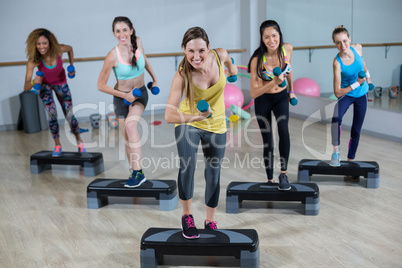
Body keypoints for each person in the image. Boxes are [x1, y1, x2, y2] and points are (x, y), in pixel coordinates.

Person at [165, 26, 237, 239]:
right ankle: (187, 216)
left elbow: (230, 63)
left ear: (209, 48)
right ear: (183, 50)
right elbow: (169, 115)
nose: (196, 57)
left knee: (213, 174)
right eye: (190, 51)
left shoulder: (220, 54)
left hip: (217, 125)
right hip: (190, 121)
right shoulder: (182, 75)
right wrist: (195, 117)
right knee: (188, 166)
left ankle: (210, 220)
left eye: (201, 51)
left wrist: (232, 72)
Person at [97, 16, 158, 188]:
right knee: (128, 139)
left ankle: (138, 173)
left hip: (140, 95)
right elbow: (100, 85)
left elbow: (145, 61)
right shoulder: (112, 56)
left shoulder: (138, 41)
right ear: (114, 33)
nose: (121, 34)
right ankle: (134, 170)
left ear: (131, 29)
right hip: (121, 98)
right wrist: (124, 96)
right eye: (118, 31)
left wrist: (155, 79)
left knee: (131, 127)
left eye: (124, 30)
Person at [248, 20, 296, 191]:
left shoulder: (287, 49)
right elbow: (254, 93)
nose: (271, 40)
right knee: (267, 140)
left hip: (281, 98)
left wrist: (291, 91)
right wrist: (273, 82)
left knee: (284, 130)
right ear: (262, 39)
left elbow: (289, 70)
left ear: (279, 35)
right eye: (267, 37)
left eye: (274, 36)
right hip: (263, 100)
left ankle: (283, 173)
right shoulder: (257, 60)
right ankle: (269, 179)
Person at [24, 28, 85, 157]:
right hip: (45, 87)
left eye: (44, 43)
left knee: (69, 115)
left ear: (50, 42)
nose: (41, 47)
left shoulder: (59, 50)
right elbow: (26, 87)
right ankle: (57, 145)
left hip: (61, 84)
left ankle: (80, 141)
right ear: (34, 45)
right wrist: (35, 82)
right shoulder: (34, 60)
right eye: (38, 44)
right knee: (52, 116)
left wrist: (72, 66)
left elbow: (70, 48)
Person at [329, 25, 372, 178]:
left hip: (362, 94)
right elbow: (337, 92)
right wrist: (357, 83)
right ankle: (336, 152)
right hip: (346, 94)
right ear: (335, 44)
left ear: (350, 39)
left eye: (345, 41)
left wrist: (368, 79)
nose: (343, 45)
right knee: (335, 119)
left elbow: (363, 63)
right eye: (338, 42)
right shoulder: (337, 62)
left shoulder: (358, 48)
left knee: (356, 130)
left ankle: (350, 161)